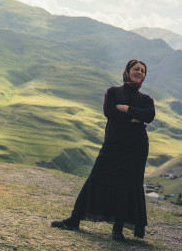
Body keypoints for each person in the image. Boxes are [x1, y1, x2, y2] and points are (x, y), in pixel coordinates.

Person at [51, 60, 155, 242]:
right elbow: (109, 112)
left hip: (136, 148)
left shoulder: (147, 100)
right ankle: (74, 220)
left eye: (143, 70)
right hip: (113, 144)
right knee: (95, 178)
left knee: (127, 185)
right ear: (127, 72)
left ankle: (118, 229)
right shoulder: (113, 92)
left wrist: (125, 109)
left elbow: (149, 116)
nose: (139, 72)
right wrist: (135, 116)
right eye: (136, 69)